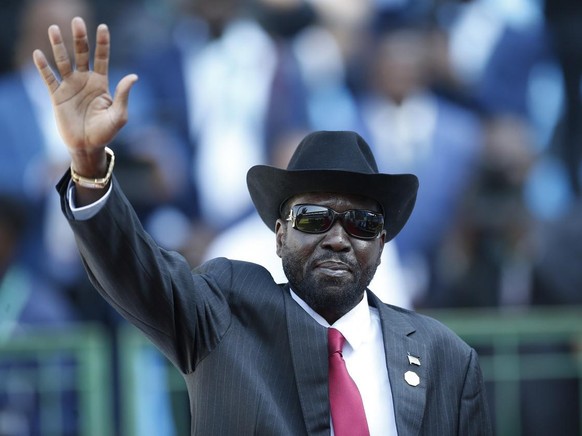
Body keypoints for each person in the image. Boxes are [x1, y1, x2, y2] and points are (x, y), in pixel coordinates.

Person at [32, 17, 492, 435]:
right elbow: (136, 271)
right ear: (278, 233)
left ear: (382, 241)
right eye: (313, 218)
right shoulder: (224, 319)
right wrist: (89, 166)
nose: (337, 238)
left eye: (361, 223)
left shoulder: (444, 358)